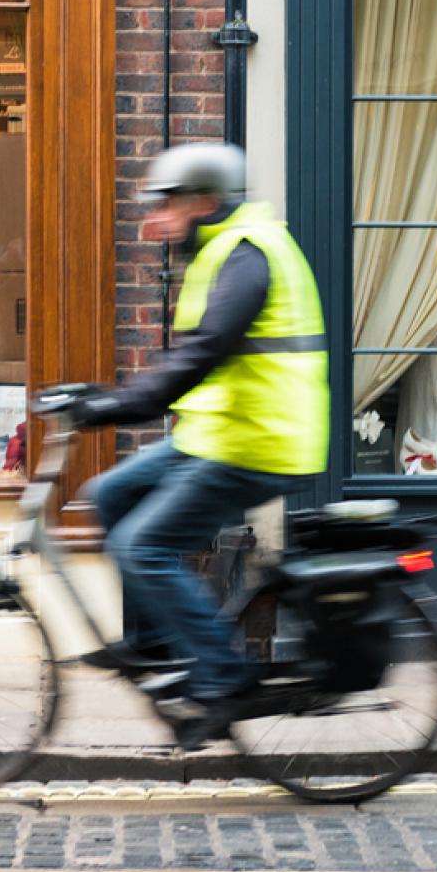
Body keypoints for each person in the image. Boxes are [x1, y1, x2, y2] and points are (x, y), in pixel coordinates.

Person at [68, 143, 330, 748]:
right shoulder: (220, 251)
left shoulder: (248, 257)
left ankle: (220, 676)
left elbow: (203, 352)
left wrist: (117, 404)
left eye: (168, 207)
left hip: (260, 439)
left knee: (142, 546)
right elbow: (196, 361)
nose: (155, 223)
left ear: (206, 202)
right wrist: (100, 394)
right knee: (106, 495)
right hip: (217, 431)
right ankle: (158, 645)